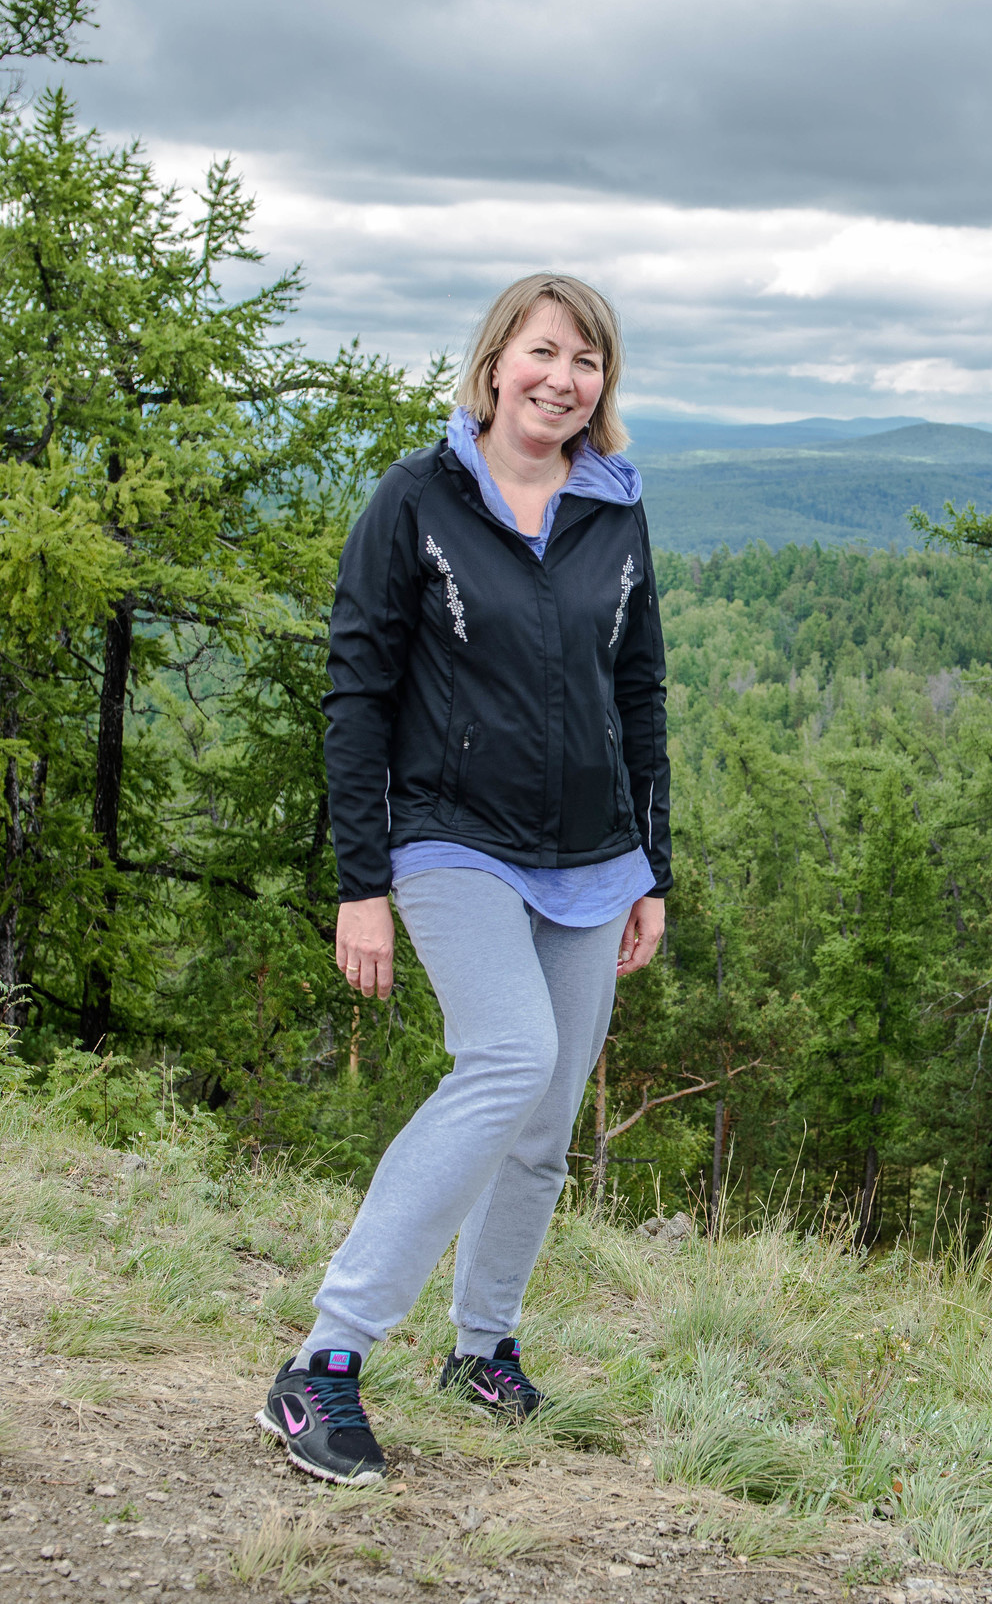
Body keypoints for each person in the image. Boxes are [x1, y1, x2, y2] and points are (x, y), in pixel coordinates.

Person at [258, 273, 671, 1485]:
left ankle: (481, 1347)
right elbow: (357, 690)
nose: (562, 378)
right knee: (505, 1059)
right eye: (544, 352)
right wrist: (359, 879)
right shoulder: (416, 498)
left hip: (595, 857)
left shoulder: (615, 508)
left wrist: (654, 866)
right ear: (496, 362)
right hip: (450, 837)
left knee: (542, 1126)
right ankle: (322, 1365)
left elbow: (636, 693)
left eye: (587, 361)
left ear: (605, 385)